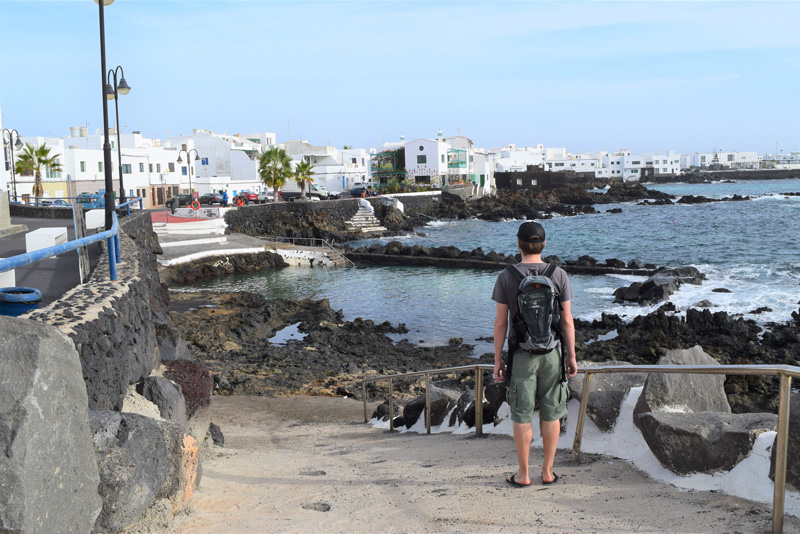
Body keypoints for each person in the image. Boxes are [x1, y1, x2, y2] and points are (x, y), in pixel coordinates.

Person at [492, 221, 577, 487]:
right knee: (552, 412)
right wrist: (571, 356)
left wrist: (498, 359)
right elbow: (567, 321)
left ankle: (523, 474)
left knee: (522, 414)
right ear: (544, 244)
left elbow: (500, 323)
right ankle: (548, 472)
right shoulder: (558, 274)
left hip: (521, 356)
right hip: (553, 353)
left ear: (518, 244)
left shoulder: (506, 276)